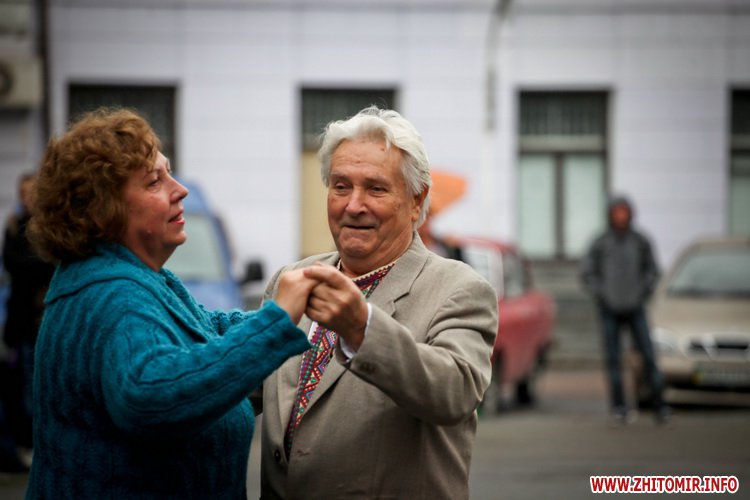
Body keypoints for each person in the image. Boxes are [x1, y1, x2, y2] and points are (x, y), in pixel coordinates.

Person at [24, 108, 315, 498]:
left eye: (169, 173)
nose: (180, 190)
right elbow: (151, 396)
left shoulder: (134, 278)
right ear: (103, 210)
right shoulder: (112, 296)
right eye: (154, 181)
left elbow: (203, 330)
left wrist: (291, 312)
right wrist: (276, 322)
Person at [253, 106, 498, 499]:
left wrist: (361, 329)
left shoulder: (458, 288)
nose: (353, 205)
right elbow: (240, 389)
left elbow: (454, 391)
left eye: (376, 189)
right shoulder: (292, 280)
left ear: (416, 201)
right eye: (341, 186)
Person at [580, 195, 670, 425]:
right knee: (613, 360)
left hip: (635, 308)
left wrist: (642, 292)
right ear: (610, 215)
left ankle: (659, 406)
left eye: (624, 212)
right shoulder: (600, 243)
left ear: (630, 214)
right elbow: (587, 273)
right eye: (616, 212)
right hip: (609, 310)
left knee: (648, 356)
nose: (620, 217)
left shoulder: (640, 241)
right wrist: (602, 294)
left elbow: (652, 270)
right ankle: (619, 407)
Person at [2, 173, 55, 469]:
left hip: (43, 320)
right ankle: (30, 442)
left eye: (33, 192)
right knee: (25, 385)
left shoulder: (49, 227)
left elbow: (50, 263)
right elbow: (13, 263)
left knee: (42, 383)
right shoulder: (14, 226)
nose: (28, 198)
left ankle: (41, 442)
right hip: (22, 323)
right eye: (24, 192)